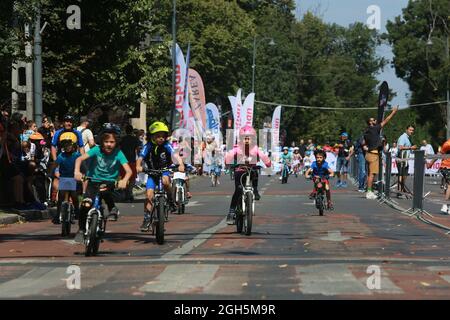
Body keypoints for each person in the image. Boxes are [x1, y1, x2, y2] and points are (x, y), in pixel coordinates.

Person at [74, 123, 132, 242]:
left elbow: (129, 171)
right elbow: (79, 159)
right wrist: (77, 172)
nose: (109, 144)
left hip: (109, 182)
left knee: (106, 192)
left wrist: (124, 180)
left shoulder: (118, 153)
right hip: (92, 181)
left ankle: (113, 209)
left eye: (112, 142)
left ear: (116, 142)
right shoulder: (96, 150)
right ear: (101, 141)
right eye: (106, 141)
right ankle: (80, 230)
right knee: (85, 204)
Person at [136, 121, 185, 232]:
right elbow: (140, 158)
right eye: (158, 136)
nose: (161, 138)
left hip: (164, 170)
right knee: (149, 195)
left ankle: (171, 200)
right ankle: (147, 218)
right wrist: (138, 166)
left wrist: (180, 164)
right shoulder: (148, 146)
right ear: (152, 136)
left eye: (163, 136)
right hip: (152, 172)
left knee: (166, 181)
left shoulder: (167, 145)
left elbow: (175, 155)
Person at [225, 125, 271, 224]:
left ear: (253, 139)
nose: (247, 140)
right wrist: (228, 163)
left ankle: (255, 190)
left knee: (255, 172)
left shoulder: (255, 148)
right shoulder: (237, 148)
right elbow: (229, 156)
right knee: (238, 189)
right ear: (240, 139)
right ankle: (231, 211)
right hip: (239, 170)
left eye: (249, 138)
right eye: (244, 138)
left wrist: (268, 163)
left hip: (251, 169)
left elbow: (263, 156)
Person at [363, 106, 398, 200]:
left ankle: (369, 190)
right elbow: (386, 121)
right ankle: (369, 192)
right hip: (373, 155)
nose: (375, 120)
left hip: (368, 154)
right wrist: (393, 112)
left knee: (370, 173)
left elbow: (364, 143)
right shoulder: (374, 128)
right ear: (371, 122)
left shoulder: (366, 131)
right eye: (373, 120)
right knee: (372, 174)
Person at [51, 114, 85, 203]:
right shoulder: (58, 133)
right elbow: (53, 146)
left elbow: (81, 147)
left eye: (70, 122)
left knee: (74, 178)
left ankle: (73, 199)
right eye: (66, 121)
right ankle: (54, 198)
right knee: (57, 177)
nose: (68, 123)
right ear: (63, 123)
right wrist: (55, 160)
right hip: (61, 159)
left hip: (73, 160)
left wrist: (83, 160)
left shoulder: (77, 133)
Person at [52, 139, 81, 224]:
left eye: (69, 145)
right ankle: (57, 215)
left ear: (73, 146)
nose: (68, 147)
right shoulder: (61, 156)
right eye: (66, 146)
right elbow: (55, 165)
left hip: (74, 178)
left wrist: (83, 173)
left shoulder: (77, 155)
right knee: (61, 196)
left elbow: (83, 165)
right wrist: (52, 173)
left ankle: (77, 212)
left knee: (74, 195)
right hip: (64, 178)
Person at [119, 124, 142, 202]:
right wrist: (140, 159)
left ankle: (125, 192)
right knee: (132, 178)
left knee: (123, 177)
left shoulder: (122, 139)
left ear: (125, 130)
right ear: (132, 130)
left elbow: (118, 149)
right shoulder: (135, 139)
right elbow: (138, 150)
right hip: (132, 160)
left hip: (123, 161)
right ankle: (129, 192)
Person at [427, 138, 450, 214]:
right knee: (449, 185)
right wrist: (431, 163)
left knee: (448, 187)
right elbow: (439, 154)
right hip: (447, 167)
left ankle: (447, 206)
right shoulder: (448, 144)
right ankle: (445, 204)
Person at [396, 124, 417, 196]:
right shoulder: (403, 137)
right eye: (410, 130)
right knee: (401, 175)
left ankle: (402, 190)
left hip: (405, 160)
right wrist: (411, 148)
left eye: (412, 130)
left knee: (404, 175)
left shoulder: (408, 138)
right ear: (406, 130)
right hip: (401, 158)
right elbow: (400, 147)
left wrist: (412, 149)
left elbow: (408, 149)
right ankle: (399, 192)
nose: (411, 131)